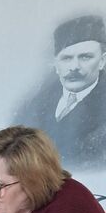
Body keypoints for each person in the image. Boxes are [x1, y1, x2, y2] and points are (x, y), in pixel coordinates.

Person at [16, 15, 106, 169]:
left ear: (102, 61)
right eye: (66, 58)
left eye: (85, 57)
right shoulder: (36, 104)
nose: (74, 67)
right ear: (56, 64)